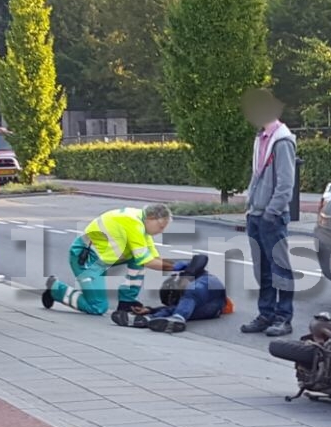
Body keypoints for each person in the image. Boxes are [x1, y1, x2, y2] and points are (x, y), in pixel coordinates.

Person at [42, 204, 179, 316]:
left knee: (138, 260)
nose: (161, 231)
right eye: (161, 226)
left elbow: (152, 258)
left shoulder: (140, 223)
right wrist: (178, 267)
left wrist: (179, 265)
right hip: (86, 259)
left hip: (100, 259)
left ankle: (127, 302)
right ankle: (56, 288)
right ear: (151, 218)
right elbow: (149, 262)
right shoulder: (133, 223)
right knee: (97, 307)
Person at [240, 88, 297, 337]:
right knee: (261, 268)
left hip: (271, 215)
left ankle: (284, 317)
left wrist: (271, 212)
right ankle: (266, 313)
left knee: (280, 267)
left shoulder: (282, 140)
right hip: (256, 214)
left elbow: (286, 183)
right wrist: (250, 206)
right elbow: (257, 175)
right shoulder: (261, 137)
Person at [113, 255, 232, 333]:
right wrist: (150, 310)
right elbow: (176, 306)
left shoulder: (197, 276)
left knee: (190, 293)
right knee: (174, 309)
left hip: (210, 288)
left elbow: (201, 257)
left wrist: (186, 277)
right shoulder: (187, 300)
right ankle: (147, 319)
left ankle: (176, 318)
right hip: (211, 309)